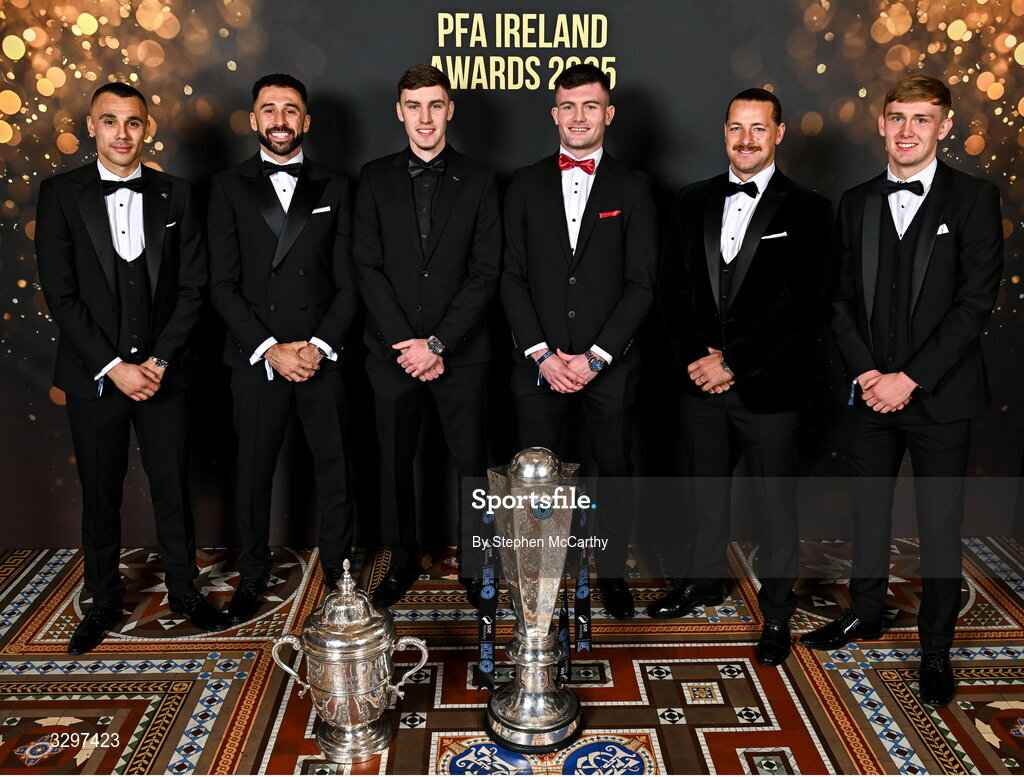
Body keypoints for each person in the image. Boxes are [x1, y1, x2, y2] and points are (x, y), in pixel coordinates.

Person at [800, 74, 1003, 707]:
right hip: (870, 393)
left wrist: (908, 380)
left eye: (922, 118)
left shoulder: (973, 199)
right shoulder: (855, 200)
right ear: (882, 124)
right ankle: (864, 612)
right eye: (897, 117)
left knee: (941, 526)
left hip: (939, 398)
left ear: (944, 127)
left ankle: (935, 647)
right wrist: (868, 376)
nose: (907, 129)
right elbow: (836, 301)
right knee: (868, 511)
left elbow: (974, 305)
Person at [36, 82, 225, 653]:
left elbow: (194, 288)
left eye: (134, 122)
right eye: (110, 121)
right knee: (101, 491)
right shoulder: (60, 194)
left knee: (172, 486)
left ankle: (185, 591)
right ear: (92, 126)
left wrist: (159, 360)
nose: (123, 133)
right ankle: (102, 600)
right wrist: (115, 365)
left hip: (166, 372)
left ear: (148, 127)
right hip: (96, 376)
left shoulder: (178, 194)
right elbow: (61, 295)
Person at [649, 89, 832, 667]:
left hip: (770, 388)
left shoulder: (809, 210)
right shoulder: (690, 200)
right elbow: (671, 291)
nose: (745, 139)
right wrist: (699, 361)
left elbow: (800, 308)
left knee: (776, 506)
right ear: (723, 131)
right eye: (735, 127)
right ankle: (703, 582)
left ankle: (777, 611)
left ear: (779, 133)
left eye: (758, 128)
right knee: (707, 494)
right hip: (700, 385)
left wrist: (734, 362)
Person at [500, 64, 657, 619]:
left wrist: (594, 357)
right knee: (537, 479)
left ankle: (611, 573)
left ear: (608, 114)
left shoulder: (634, 187)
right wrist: (543, 354)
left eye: (590, 106)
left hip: (607, 367)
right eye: (568, 106)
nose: (578, 116)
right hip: (538, 367)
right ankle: (539, 574)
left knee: (612, 472)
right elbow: (511, 277)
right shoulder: (522, 183)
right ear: (554, 114)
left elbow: (642, 284)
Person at [208, 73, 359, 622]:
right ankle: (252, 576)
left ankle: (342, 575)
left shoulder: (337, 187)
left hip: (322, 354)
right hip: (258, 357)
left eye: (290, 110)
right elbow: (220, 284)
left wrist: (318, 345)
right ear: (253, 120)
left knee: (337, 471)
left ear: (306, 121)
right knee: (253, 475)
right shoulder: (226, 186)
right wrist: (270, 348)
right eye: (268, 110)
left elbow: (350, 282)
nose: (279, 120)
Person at [354, 65, 501, 608]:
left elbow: (486, 272)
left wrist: (437, 344)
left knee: (472, 466)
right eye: (414, 106)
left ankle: (476, 562)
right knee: (394, 465)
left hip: (462, 355)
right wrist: (408, 345)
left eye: (434, 105)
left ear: (450, 110)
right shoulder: (372, 177)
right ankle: (401, 559)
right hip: (391, 354)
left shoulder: (483, 178)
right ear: (399, 112)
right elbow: (366, 268)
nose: (424, 117)